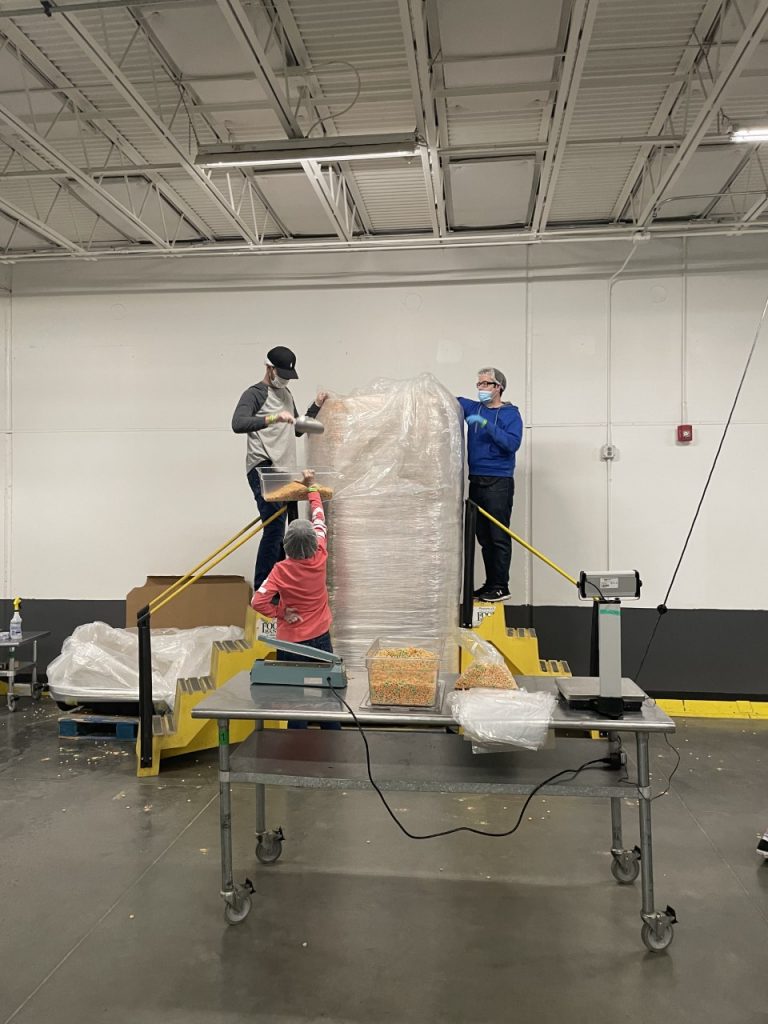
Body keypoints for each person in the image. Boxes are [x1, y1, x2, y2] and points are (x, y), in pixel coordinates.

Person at [231, 346, 327, 589]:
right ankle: (264, 590)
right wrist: (272, 418)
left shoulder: (286, 395)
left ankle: (281, 586)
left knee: (287, 529)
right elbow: (238, 423)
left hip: (283, 470)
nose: (284, 379)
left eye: (288, 376)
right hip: (263, 467)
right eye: (281, 373)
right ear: (269, 368)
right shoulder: (255, 393)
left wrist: (315, 406)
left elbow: (295, 428)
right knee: (274, 529)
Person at [250, 469, 339, 730]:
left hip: (291, 641)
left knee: (294, 698)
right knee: (328, 693)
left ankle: (295, 751)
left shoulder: (280, 570)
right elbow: (319, 518)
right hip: (320, 637)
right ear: (313, 542)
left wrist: (281, 612)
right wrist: (311, 487)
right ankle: (334, 740)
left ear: (286, 545)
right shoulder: (320, 555)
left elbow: (258, 602)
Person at [458, 367, 523, 602]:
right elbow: (448, 399)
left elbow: (512, 444)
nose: (482, 389)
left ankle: (501, 585)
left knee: (498, 536)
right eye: (479, 384)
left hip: (498, 481)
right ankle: (490, 584)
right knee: (483, 536)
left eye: (486, 384)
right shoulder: (473, 408)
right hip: (476, 479)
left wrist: (487, 426)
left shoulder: (510, 415)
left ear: (499, 388)